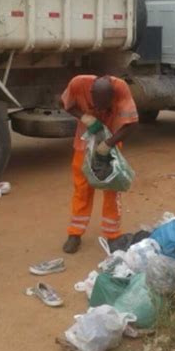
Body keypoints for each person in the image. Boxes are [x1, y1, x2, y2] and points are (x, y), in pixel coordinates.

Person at [61, 74, 138, 254]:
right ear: (91, 94)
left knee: (112, 188)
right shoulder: (78, 83)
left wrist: (108, 144)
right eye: (97, 105)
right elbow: (65, 104)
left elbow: (132, 125)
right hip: (84, 144)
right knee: (82, 188)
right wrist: (85, 118)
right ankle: (75, 234)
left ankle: (113, 235)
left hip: (111, 141)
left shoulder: (121, 89)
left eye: (106, 106)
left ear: (113, 97)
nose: (101, 110)